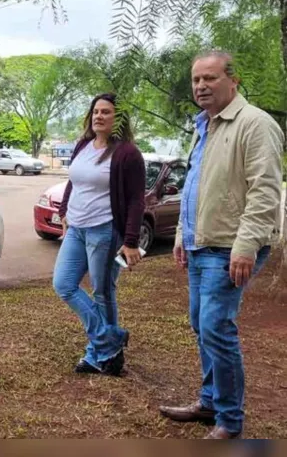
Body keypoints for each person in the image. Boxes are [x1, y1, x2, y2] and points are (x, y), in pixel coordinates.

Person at [159, 51, 284, 439]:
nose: (200, 86)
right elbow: (194, 186)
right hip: (202, 243)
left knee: (216, 326)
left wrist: (246, 245)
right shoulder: (203, 126)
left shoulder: (255, 124)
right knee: (202, 324)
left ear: (234, 80)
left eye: (210, 78)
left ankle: (229, 420)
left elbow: (265, 192)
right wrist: (183, 234)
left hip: (231, 245)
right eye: (196, 80)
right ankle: (210, 401)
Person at [53, 93, 146, 376]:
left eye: (106, 112)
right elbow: (74, 181)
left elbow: (135, 199)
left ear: (118, 118)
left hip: (105, 231)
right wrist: (65, 211)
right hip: (77, 229)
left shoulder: (127, 153)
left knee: (103, 292)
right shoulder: (83, 145)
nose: (99, 116)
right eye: (95, 111)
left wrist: (130, 241)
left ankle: (99, 354)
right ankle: (111, 339)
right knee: (64, 284)